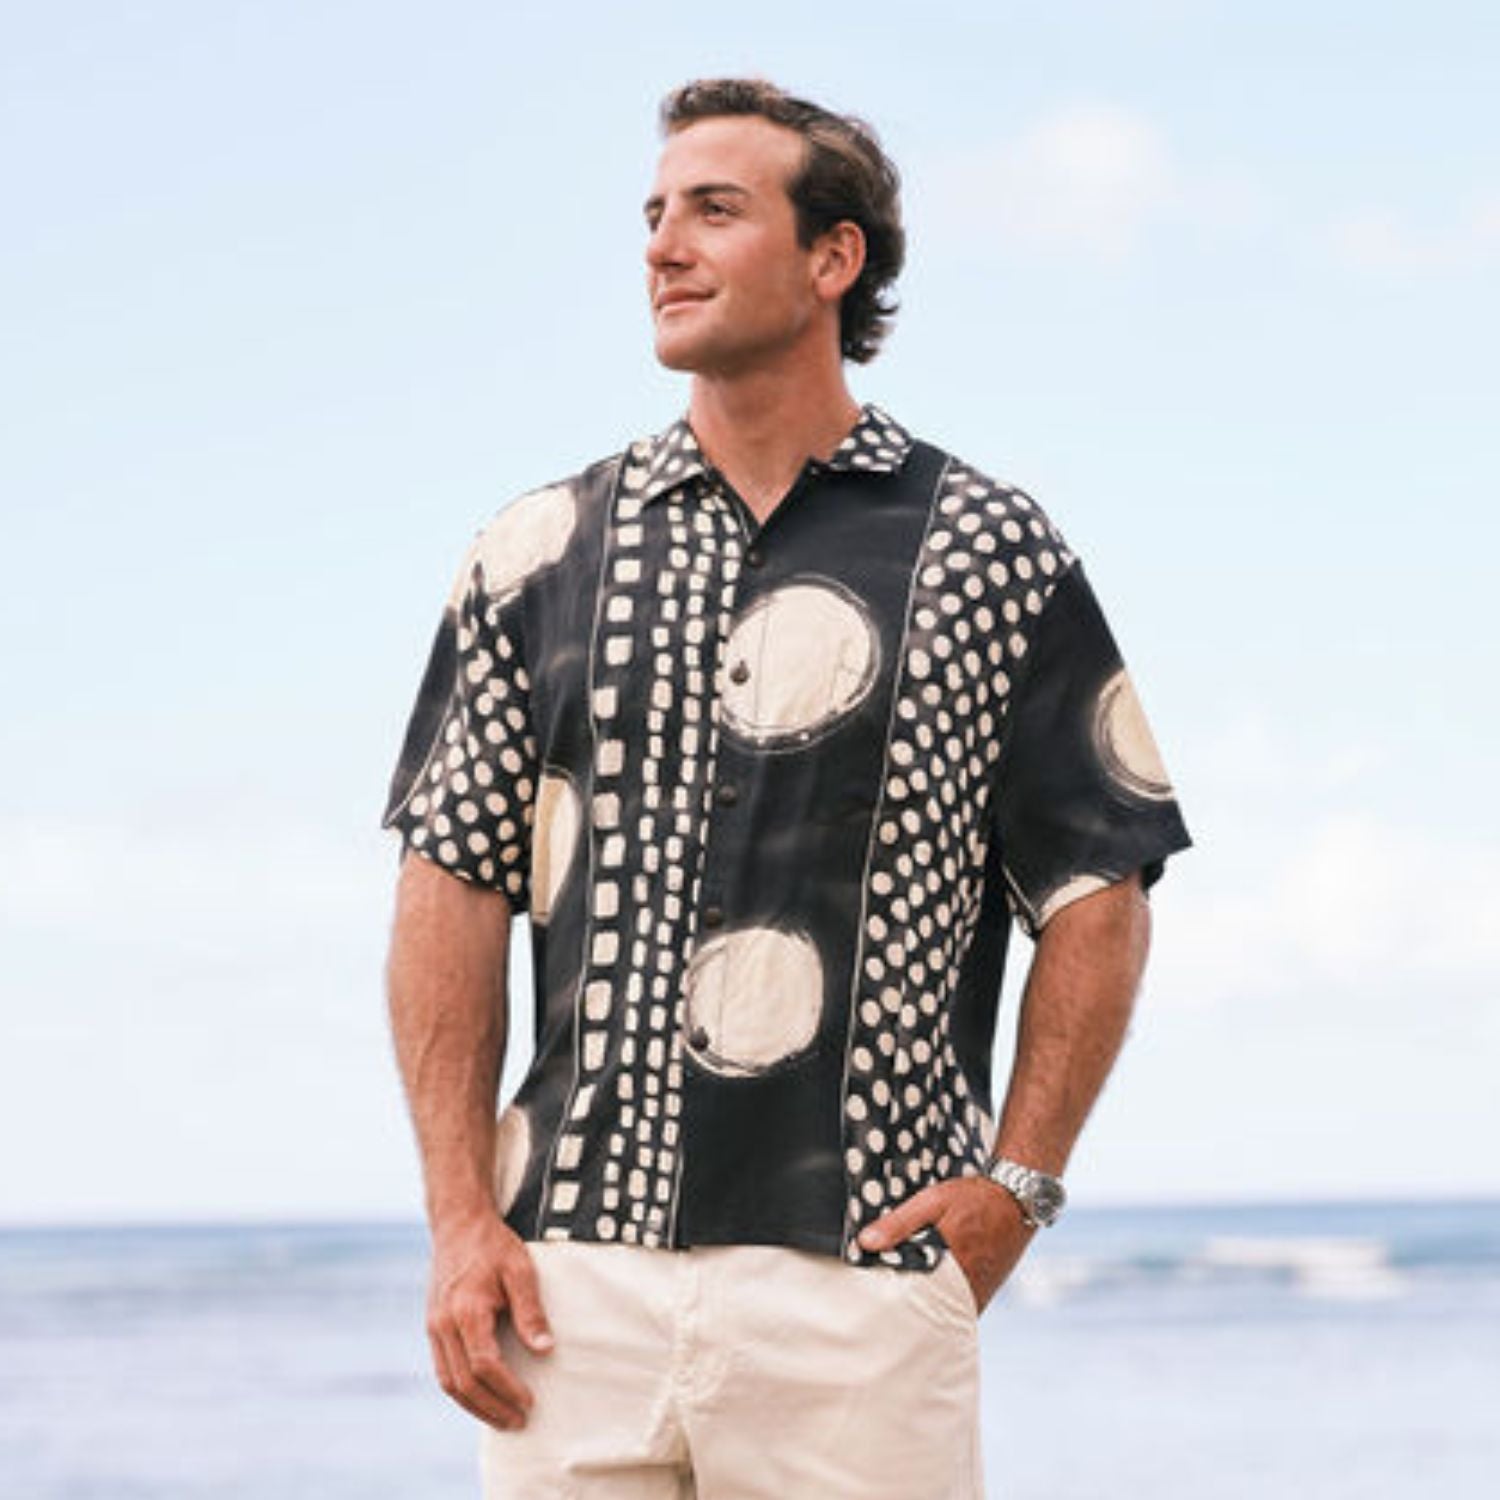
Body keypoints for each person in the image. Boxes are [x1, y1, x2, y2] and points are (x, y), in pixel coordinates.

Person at [381, 76, 1191, 1500]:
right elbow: (449, 885)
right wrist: (460, 1222)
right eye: (653, 214)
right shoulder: (537, 552)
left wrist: (1015, 1191)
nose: (662, 246)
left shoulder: (987, 551)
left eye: (713, 209)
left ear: (834, 260)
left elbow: (1100, 886)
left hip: (862, 1288)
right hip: (569, 1290)